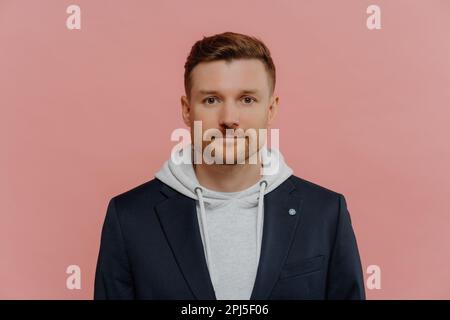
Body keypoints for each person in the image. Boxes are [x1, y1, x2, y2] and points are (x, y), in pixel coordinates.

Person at [94, 31, 365, 300]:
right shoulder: (129, 217)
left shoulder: (326, 213)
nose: (229, 118)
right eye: (211, 100)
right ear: (187, 110)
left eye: (247, 99)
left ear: (271, 109)